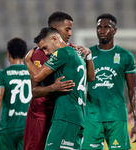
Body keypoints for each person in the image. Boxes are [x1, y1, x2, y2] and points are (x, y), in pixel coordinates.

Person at [23, 11, 90, 150]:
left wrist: (27, 61)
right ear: (55, 30)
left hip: (63, 115)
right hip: (69, 115)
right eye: (67, 29)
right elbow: (35, 91)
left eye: (45, 48)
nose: (70, 33)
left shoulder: (63, 52)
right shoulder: (74, 52)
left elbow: (36, 77)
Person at [81, 13, 136, 150]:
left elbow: (133, 90)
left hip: (116, 116)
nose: (102, 31)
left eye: (106, 27)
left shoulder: (125, 56)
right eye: (99, 27)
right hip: (92, 117)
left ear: (114, 31)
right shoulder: (87, 54)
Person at [0, 37, 31, 150]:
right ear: (25, 54)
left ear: (8, 54)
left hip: (8, 129)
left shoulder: (2, 74)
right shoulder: (33, 74)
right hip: (28, 128)